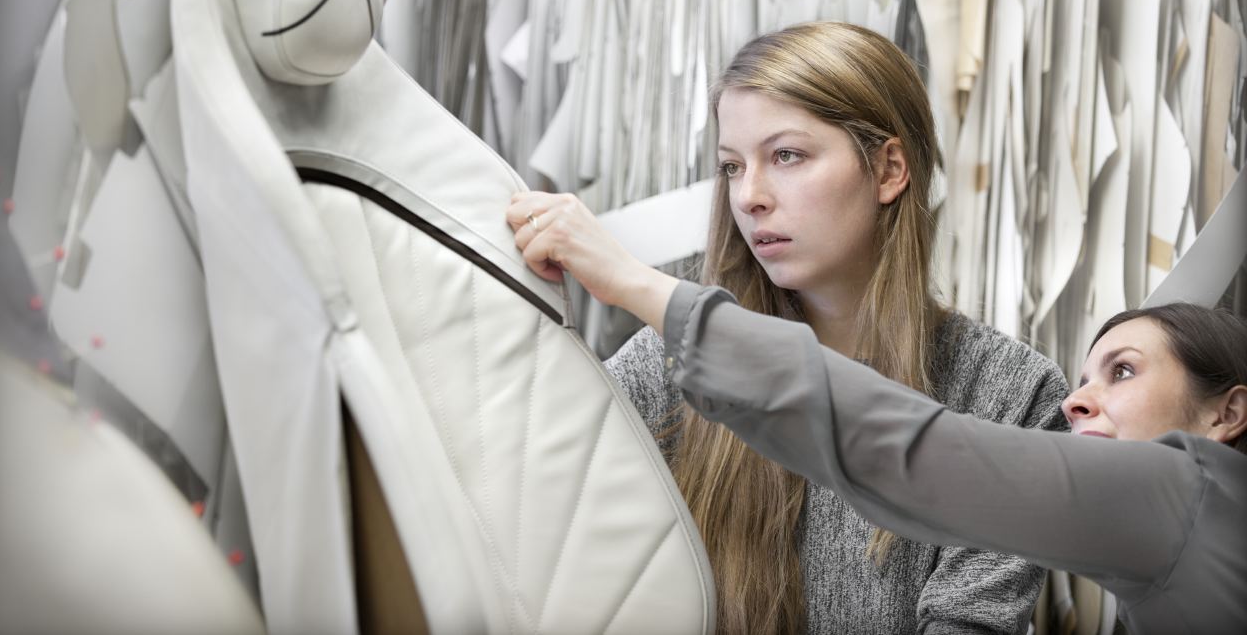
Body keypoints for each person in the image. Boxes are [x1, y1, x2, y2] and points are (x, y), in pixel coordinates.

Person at [512, 22, 1071, 634]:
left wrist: (630, 280)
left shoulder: (1011, 395)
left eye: (786, 156)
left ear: (889, 170)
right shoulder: (665, 364)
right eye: (731, 167)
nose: (749, 196)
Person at [502, 207, 1247, 635]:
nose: (1073, 401)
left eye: (1123, 371)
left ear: (1229, 412)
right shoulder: (1170, 557)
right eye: (731, 165)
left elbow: (919, 454)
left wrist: (636, 285)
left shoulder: (1177, 490)